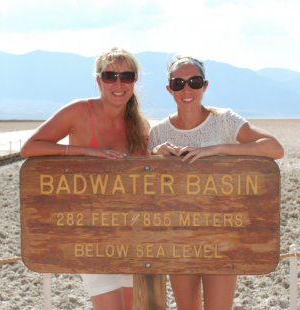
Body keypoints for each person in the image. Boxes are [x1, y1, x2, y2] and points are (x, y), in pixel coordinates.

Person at [147, 56, 284, 310]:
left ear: (205, 86)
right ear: (169, 89)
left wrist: (217, 149)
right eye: (178, 83)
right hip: (179, 236)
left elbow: (275, 148)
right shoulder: (158, 133)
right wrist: (155, 156)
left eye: (194, 82)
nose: (186, 89)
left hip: (222, 233)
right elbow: (148, 189)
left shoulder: (225, 121)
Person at [21, 47, 150, 310]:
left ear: (135, 81)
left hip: (134, 234)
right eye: (109, 75)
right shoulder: (79, 112)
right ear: (98, 80)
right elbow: (30, 147)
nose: (118, 83)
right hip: (92, 236)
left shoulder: (141, 125)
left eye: (126, 76)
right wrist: (87, 151)